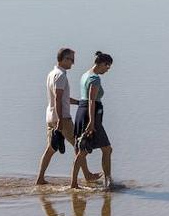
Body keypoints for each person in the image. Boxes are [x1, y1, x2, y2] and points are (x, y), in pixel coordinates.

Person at [38, 48, 101, 186]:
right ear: (64, 59)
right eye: (71, 59)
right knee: (79, 146)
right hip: (62, 118)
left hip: (50, 116)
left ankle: (40, 178)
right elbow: (58, 98)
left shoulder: (52, 74)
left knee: (51, 148)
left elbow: (61, 97)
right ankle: (85, 177)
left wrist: (78, 102)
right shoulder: (61, 75)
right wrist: (61, 119)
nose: (73, 63)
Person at [72, 51, 114, 190]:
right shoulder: (95, 78)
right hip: (91, 115)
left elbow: (86, 100)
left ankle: (80, 181)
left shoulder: (85, 75)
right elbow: (91, 100)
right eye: (107, 66)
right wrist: (91, 122)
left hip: (82, 112)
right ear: (102, 63)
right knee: (102, 149)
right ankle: (107, 182)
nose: (108, 69)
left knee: (86, 149)